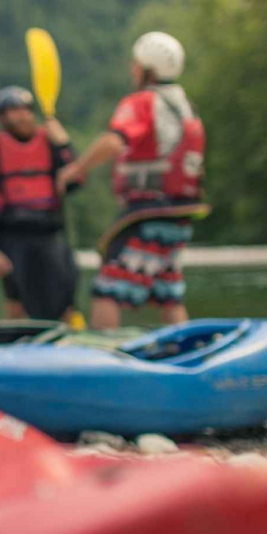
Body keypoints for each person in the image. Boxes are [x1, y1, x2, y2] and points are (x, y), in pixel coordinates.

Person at [58, 32, 206, 328]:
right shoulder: (186, 105)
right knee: (168, 292)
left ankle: (103, 357)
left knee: (107, 289)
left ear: (148, 68)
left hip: (147, 212)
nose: (132, 69)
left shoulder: (142, 102)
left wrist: (77, 169)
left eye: (136, 64)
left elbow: (114, 142)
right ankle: (184, 352)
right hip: (181, 213)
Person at [0, 86, 80, 322]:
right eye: (14, 111)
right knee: (17, 300)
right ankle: (17, 345)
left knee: (64, 298)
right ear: (1, 117)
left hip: (50, 233)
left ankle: (65, 346)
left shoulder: (50, 144)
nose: (22, 116)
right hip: (12, 238)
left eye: (26, 110)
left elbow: (74, 182)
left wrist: (64, 144)